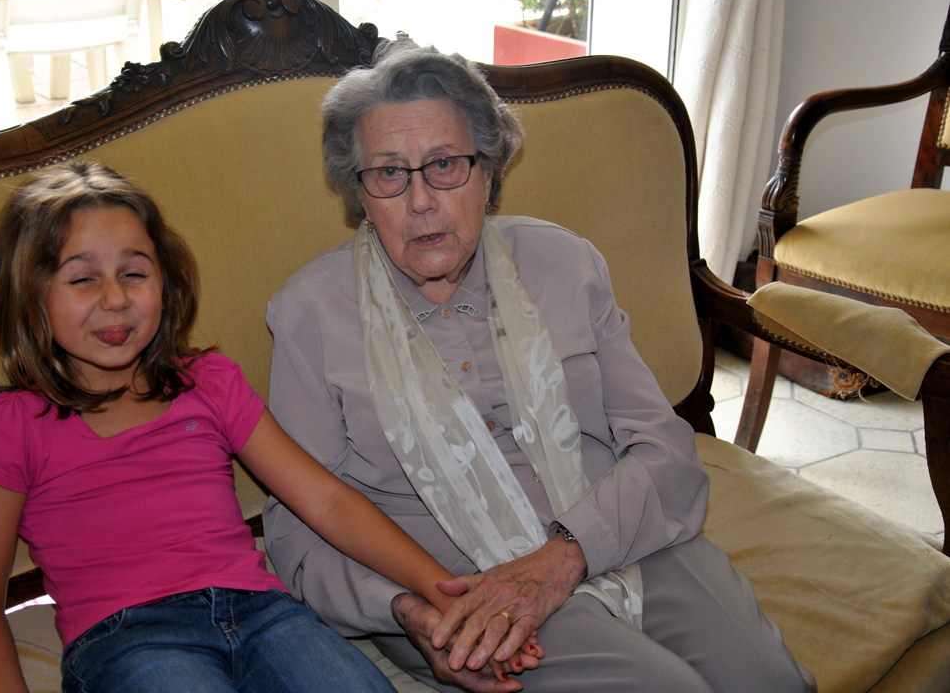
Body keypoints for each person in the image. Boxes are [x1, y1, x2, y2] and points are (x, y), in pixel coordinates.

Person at [263, 42, 818, 693]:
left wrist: (564, 556)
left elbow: (664, 447)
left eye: (445, 165)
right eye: (389, 173)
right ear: (360, 193)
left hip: (625, 533)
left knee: (771, 682)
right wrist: (407, 611)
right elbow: (296, 534)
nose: (420, 201)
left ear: (489, 172)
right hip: (464, 593)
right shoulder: (311, 315)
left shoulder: (564, 264)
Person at [0, 161, 532, 693]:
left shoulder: (208, 383)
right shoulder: (13, 425)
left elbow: (328, 502)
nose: (115, 299)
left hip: (265, 616)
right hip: (129, 638)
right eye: (82, 279)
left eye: (133, 273)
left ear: (165, 281)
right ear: (31, 294)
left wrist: (450, 596)